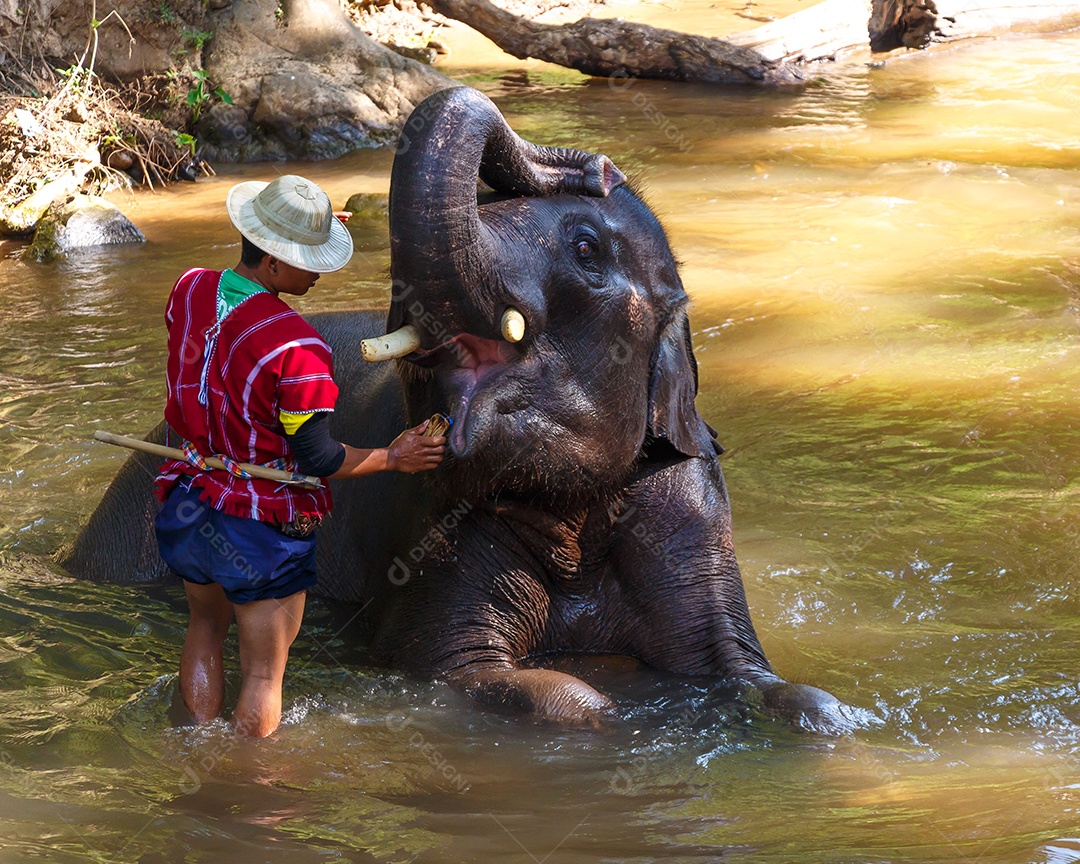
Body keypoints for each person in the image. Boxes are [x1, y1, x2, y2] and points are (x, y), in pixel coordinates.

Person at [152, 174, 444, 738]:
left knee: (204, 628)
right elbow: (318, 456)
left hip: (189, 495)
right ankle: (251, 796)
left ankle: (191, 754)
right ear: (273, 265)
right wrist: (395, 456)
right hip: (257, 526)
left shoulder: (188, 288)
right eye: (308, 260)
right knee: (263, 674)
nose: (319, 272)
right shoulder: (297, 347)